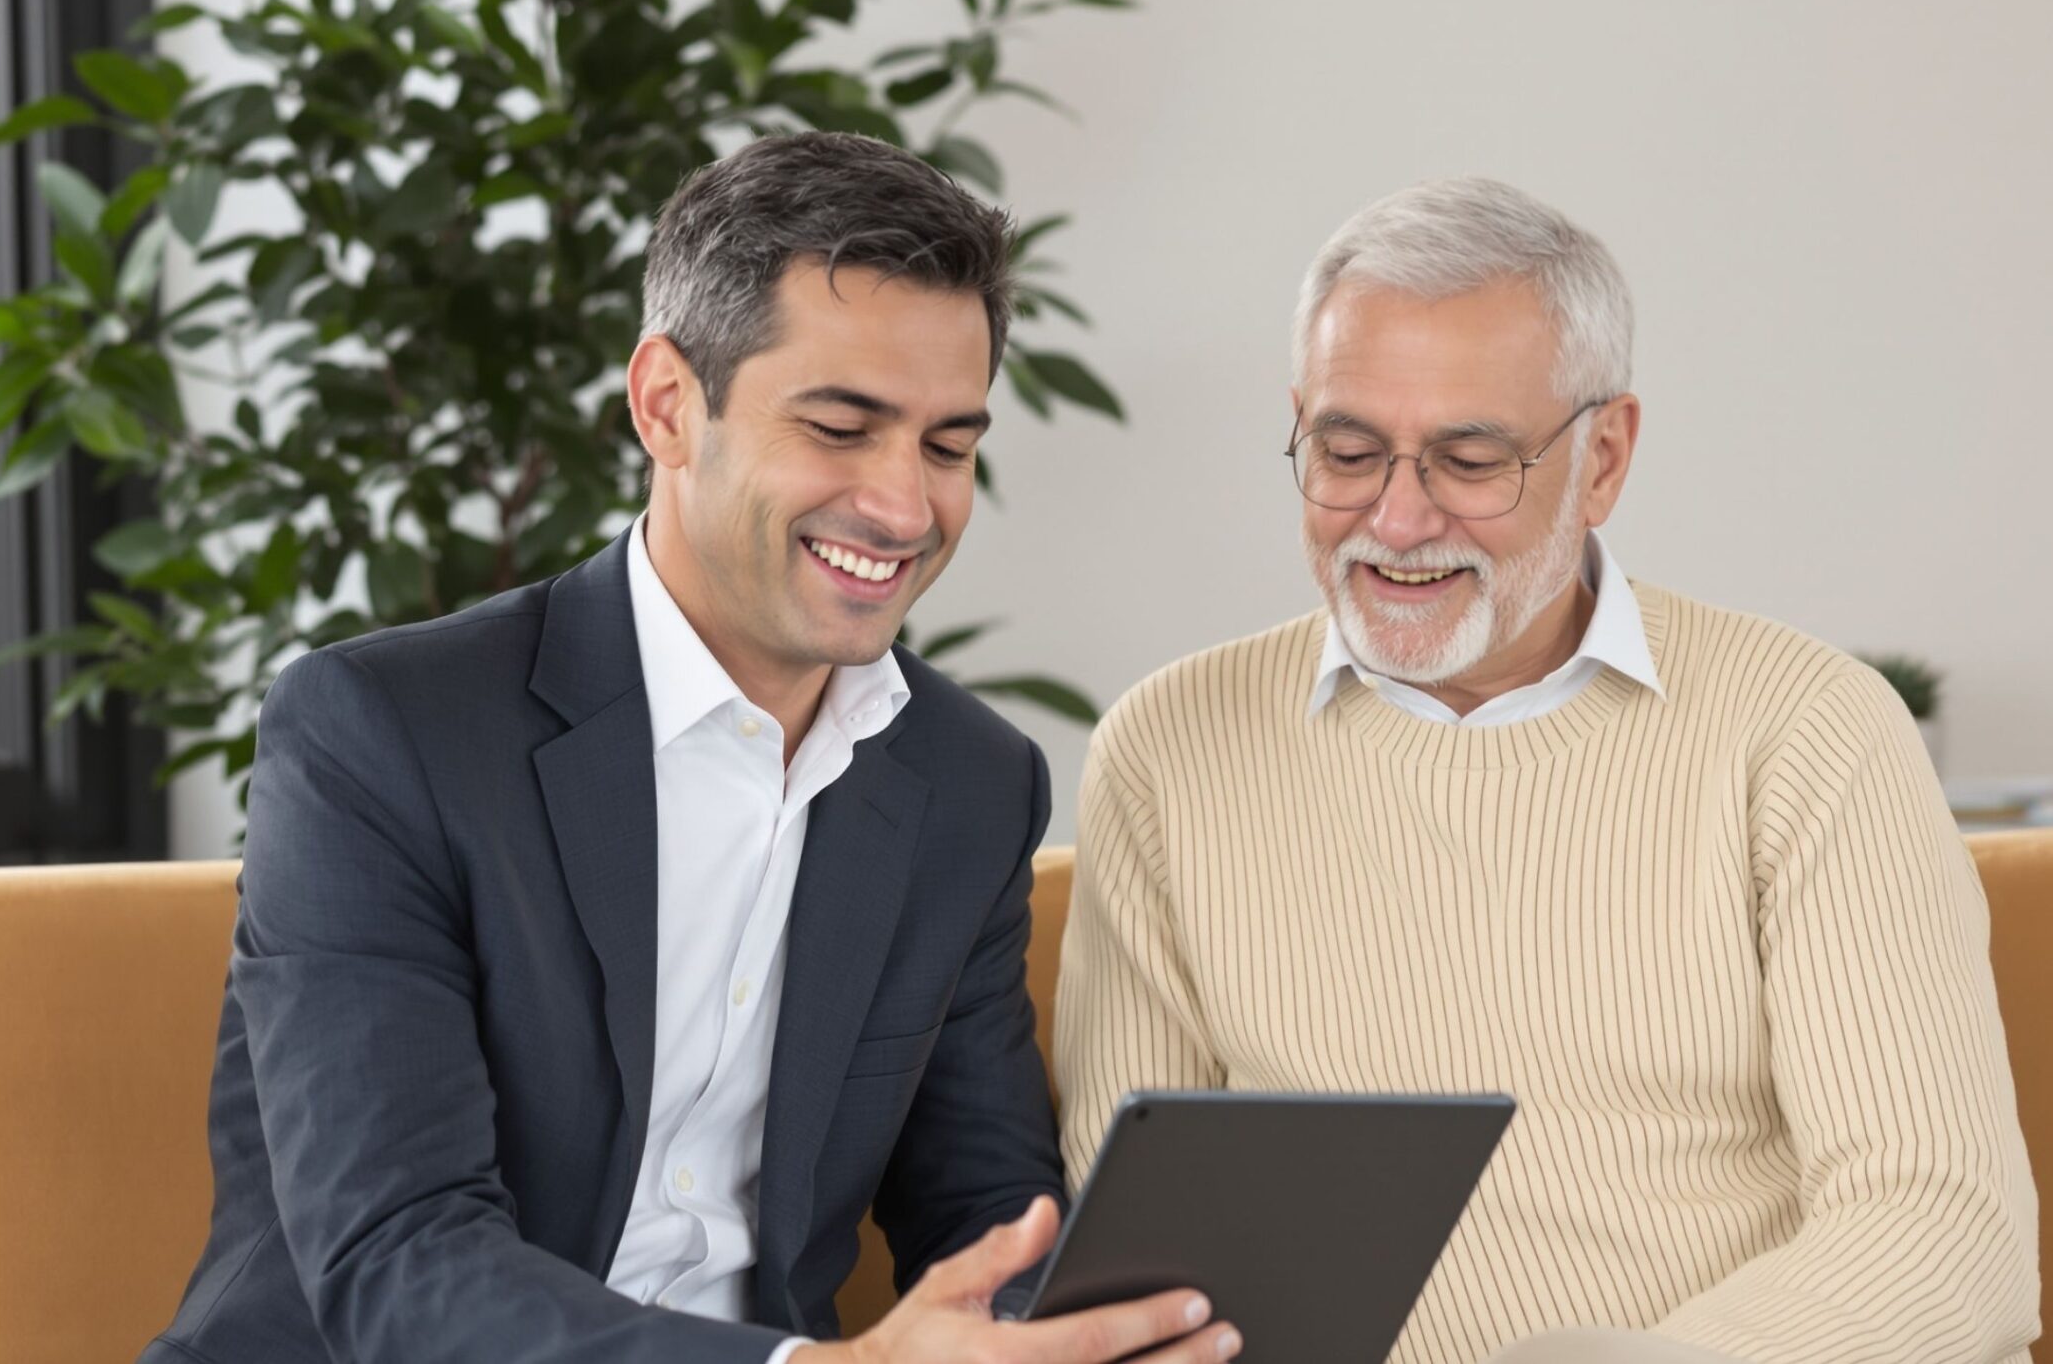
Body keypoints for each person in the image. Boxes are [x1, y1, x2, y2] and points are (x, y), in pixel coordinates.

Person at [143, 132, 1237, 1364]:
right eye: (839, 427)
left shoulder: (967, 782)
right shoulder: (383, 736)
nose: (903, 505)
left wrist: (1106, 1336)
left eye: (946, 445)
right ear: (667, 403)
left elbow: (983, 1216)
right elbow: (399, 1261)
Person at [1055, 177, 2041, 1364]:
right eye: (1348, 450)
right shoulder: (1170, 747)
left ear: (1605, 456)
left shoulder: (1808, 729)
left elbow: (1942, 1228)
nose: (1398, 519)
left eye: (1470, 460)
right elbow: (1142, 1265)